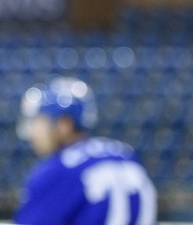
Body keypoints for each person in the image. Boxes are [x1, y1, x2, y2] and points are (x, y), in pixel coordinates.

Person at [15, 76, 157, 225]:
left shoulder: (58, 170)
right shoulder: (127, 156)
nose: (32, 133)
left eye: (38, 122)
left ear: (64, 124)